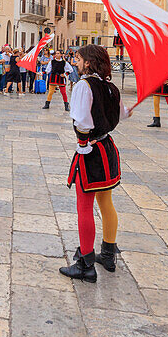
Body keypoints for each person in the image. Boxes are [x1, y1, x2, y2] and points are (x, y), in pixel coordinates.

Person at [60, 44, 121, 281]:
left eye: (78, 58)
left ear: (88, 62)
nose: (75, 61)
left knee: (84, 206)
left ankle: (86, 263)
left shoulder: (83, 86)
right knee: (106, 202)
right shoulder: (110, 86)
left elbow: (82, 122)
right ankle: (108, 252)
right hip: (107, 148)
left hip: (91, 151)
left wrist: (83, 144)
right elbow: (122, 114)